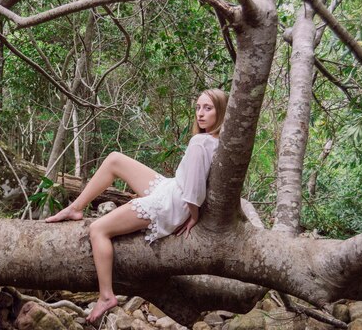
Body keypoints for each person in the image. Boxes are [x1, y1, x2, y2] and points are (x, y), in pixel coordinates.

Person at [46, 88, 228, 323]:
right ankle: (76, 207)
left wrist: (192, 215)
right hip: (172, 189)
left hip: (171, 204)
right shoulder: (216, 141)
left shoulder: (199, 142)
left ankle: (106, 295)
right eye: (198, 107)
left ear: (221, 112)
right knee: (114, 160)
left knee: (98, 230)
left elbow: (194, 191)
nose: (200, 114)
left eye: (208, 108)